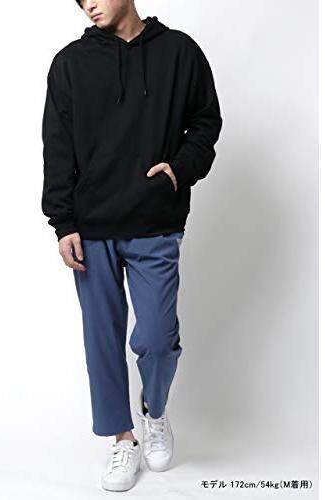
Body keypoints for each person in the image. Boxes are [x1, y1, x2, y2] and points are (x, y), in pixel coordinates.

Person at [41, 0, 222, 491]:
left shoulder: (179, 52)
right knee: (101, 338)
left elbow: (206, 121)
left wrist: (180, 169)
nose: (89, 5)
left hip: (155, 220)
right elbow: (57, 144)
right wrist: (62, 222)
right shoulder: (69, 64)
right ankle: (123, 439)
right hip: (90, 226)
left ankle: (153, 411)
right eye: (80, 0)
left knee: (158, 338)